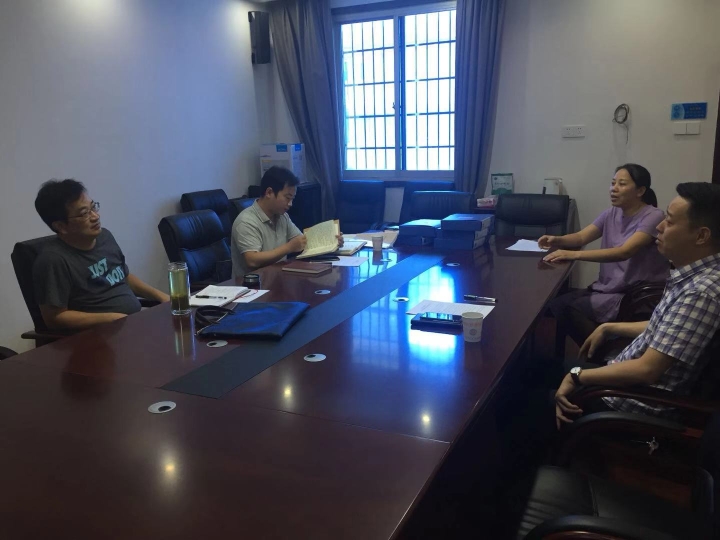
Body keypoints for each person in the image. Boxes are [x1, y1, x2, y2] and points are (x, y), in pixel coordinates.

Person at [555, 182, 720, 428]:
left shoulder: (701, 292)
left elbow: (646, 370)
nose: (659, 227)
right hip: (622, 376)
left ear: (702, 236)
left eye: (670, 222)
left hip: (629, 401)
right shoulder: (694, 275)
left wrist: (577, 377)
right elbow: (668, 327)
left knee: (524, 402)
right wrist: (610, 327)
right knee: (536, 371)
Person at [539, 164, 669, 346]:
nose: (614, 189)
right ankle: (601, 348)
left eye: (622, 184)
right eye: (613, 183)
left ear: (640, 191)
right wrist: (556, 240)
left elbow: (624, 252)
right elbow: (582, 237)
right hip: (610, 288)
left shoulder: (653, 216)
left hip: (633, 295)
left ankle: (604, 351)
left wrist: (573, 255)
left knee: (567, 306)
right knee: (556, 303)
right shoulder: (611, 213)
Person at [33, 179, 169, 330]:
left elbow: (124, 276)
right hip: (99, 335)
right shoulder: (53, 260)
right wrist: (111, 318)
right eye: (84, 213)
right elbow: (54, 317)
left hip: (130, 324)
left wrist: (162, 296)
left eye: (93, 207)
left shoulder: (105, 237)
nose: (95, 216)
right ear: (61, 226)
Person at [231, 166, 342, 278]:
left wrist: (331, 241)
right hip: (252, 285)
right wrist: (289, 247)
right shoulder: (246, 221)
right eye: (287, 198)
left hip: (278, 278)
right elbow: (252, 260)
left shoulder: (282, 216)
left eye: (292, 199)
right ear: (269, 192)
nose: (290, 204)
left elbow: (303, 242)